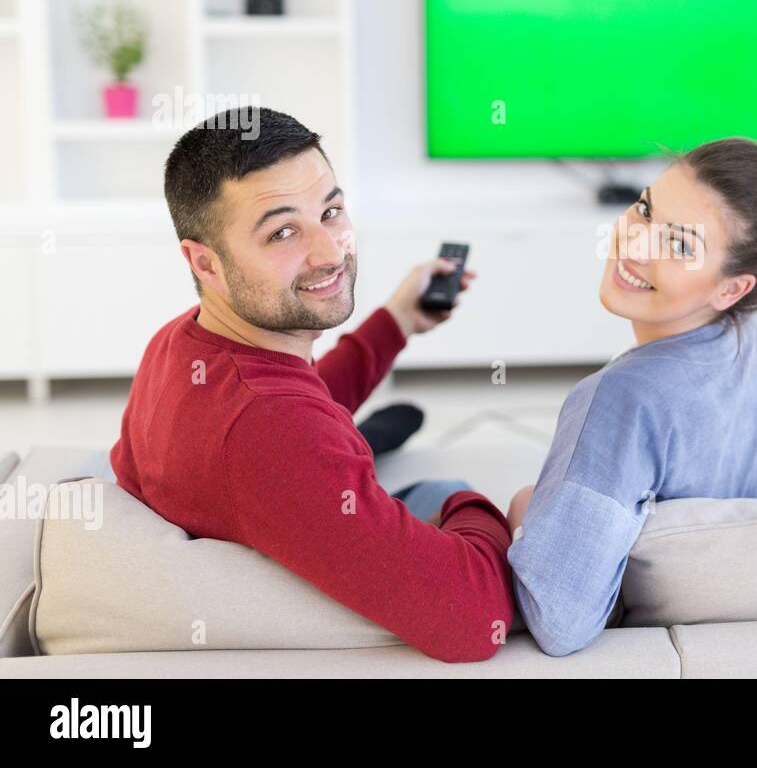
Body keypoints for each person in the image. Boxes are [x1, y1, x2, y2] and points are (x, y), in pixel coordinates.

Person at [110, 106, 512, 662]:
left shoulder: (181, 342)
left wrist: (396, 320)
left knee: (341, 427)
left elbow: (296, 397)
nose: (329, 252)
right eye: (282, 232)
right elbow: (474, 618)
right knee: (444, 486)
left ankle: (363, 437)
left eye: (331, 210)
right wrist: (475, 506)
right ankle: (378, 450)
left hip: (273, 483)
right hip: (290, 482)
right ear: (204, 263)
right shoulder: (273, 433)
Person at [506, 127, 757, 656]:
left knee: (449, 498)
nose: (634, 243)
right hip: (746, 639)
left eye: (680, 244)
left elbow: (558, 618)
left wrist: (522, 508)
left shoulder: (622, 398)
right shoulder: (756, 345)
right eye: (644, 210)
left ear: (732, 288)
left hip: (665, 641)